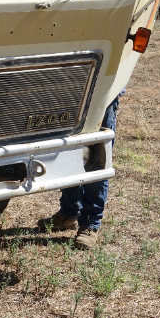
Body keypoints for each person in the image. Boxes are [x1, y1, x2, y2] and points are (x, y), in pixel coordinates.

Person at [36, 91, 122, 249]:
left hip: (104, 92)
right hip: (74, 87)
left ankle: (90, 224)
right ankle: (68, 213)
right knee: (69, 151)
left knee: (96, 157)